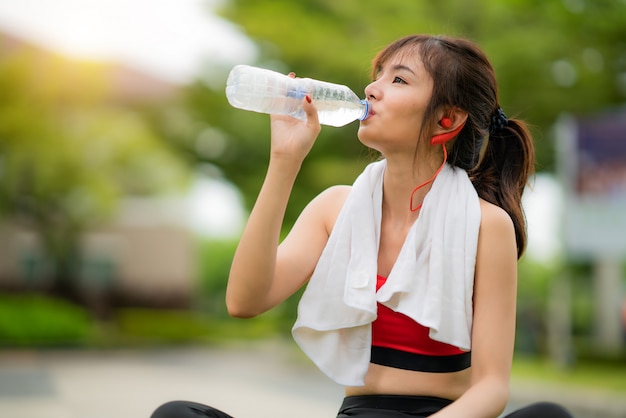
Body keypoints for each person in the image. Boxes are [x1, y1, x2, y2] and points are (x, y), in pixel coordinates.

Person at [152, 34, 573, 418]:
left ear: (447, 119)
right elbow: (244, 301)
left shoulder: (487, 225)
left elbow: (492, 388)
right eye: (378, 75)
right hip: (359, 412)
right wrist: (284, 161)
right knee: (178, 415)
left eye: (400, 80)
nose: (372, 88)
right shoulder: (335, 208)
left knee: (548, 415)